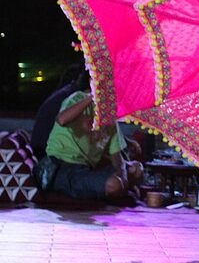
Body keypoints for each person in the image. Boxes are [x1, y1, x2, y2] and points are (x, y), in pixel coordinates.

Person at [44, 69, 142, 201]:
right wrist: (92, 96)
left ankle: (118, 191)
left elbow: (116, 157)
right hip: (63, 168)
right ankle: (117, 192)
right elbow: (62, 120)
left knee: (136, 169)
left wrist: (123, 175)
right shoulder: (78, 98)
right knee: (115, 185)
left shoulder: (109, 116)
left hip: (86, 169)